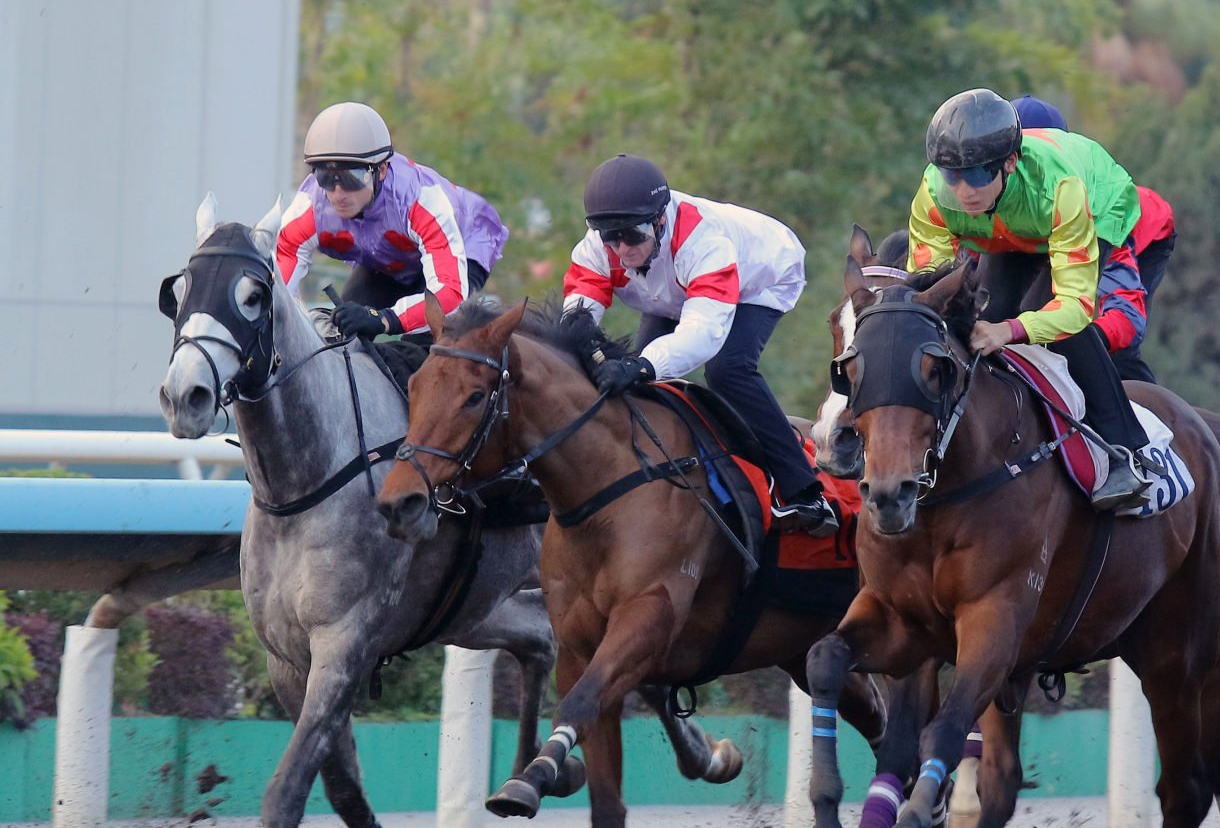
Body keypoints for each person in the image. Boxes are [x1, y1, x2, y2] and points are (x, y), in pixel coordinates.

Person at [559, 154, 839, 537]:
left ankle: (804, 490)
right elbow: (582, 296)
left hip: (760, 278)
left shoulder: (703, 241)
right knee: (640, 385)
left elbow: (704, 332)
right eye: (611, 237)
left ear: (660, 220)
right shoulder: (601, 243)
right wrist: (576, 325)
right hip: (674, 291)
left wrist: (641, 365)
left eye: (632, 235)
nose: (622, 249)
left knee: (726, 370)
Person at [909, 89, 1160, 511]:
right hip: (1014, 219)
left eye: (977, 175)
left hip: (1089, 206)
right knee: (984, 318)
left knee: (1048, 323)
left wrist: (1011, 330)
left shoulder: (1062, 189)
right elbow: (930, 292)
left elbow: (1075, 308)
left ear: (1008, 162)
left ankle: (1125, 451)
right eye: (953, 176)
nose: (964, 191)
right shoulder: (933, 193)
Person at [273, 101, 509, 342]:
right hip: (392, 256)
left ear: (382, 169)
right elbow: (276, 293)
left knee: (424, 344)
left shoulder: (420, 201)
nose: (338, 193)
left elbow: (448, 296)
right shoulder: (308, 208)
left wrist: (384, 319)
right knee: (343, 333)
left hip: (465, 240)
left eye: (352, 178)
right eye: (325, 177)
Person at [1011, 94, 1176, 385]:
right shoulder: (986, 202)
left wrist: (1081, 344)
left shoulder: (1099, 215)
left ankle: (1143, 413)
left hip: (1141, 231)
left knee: (1115, 354)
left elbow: (1126, 317)